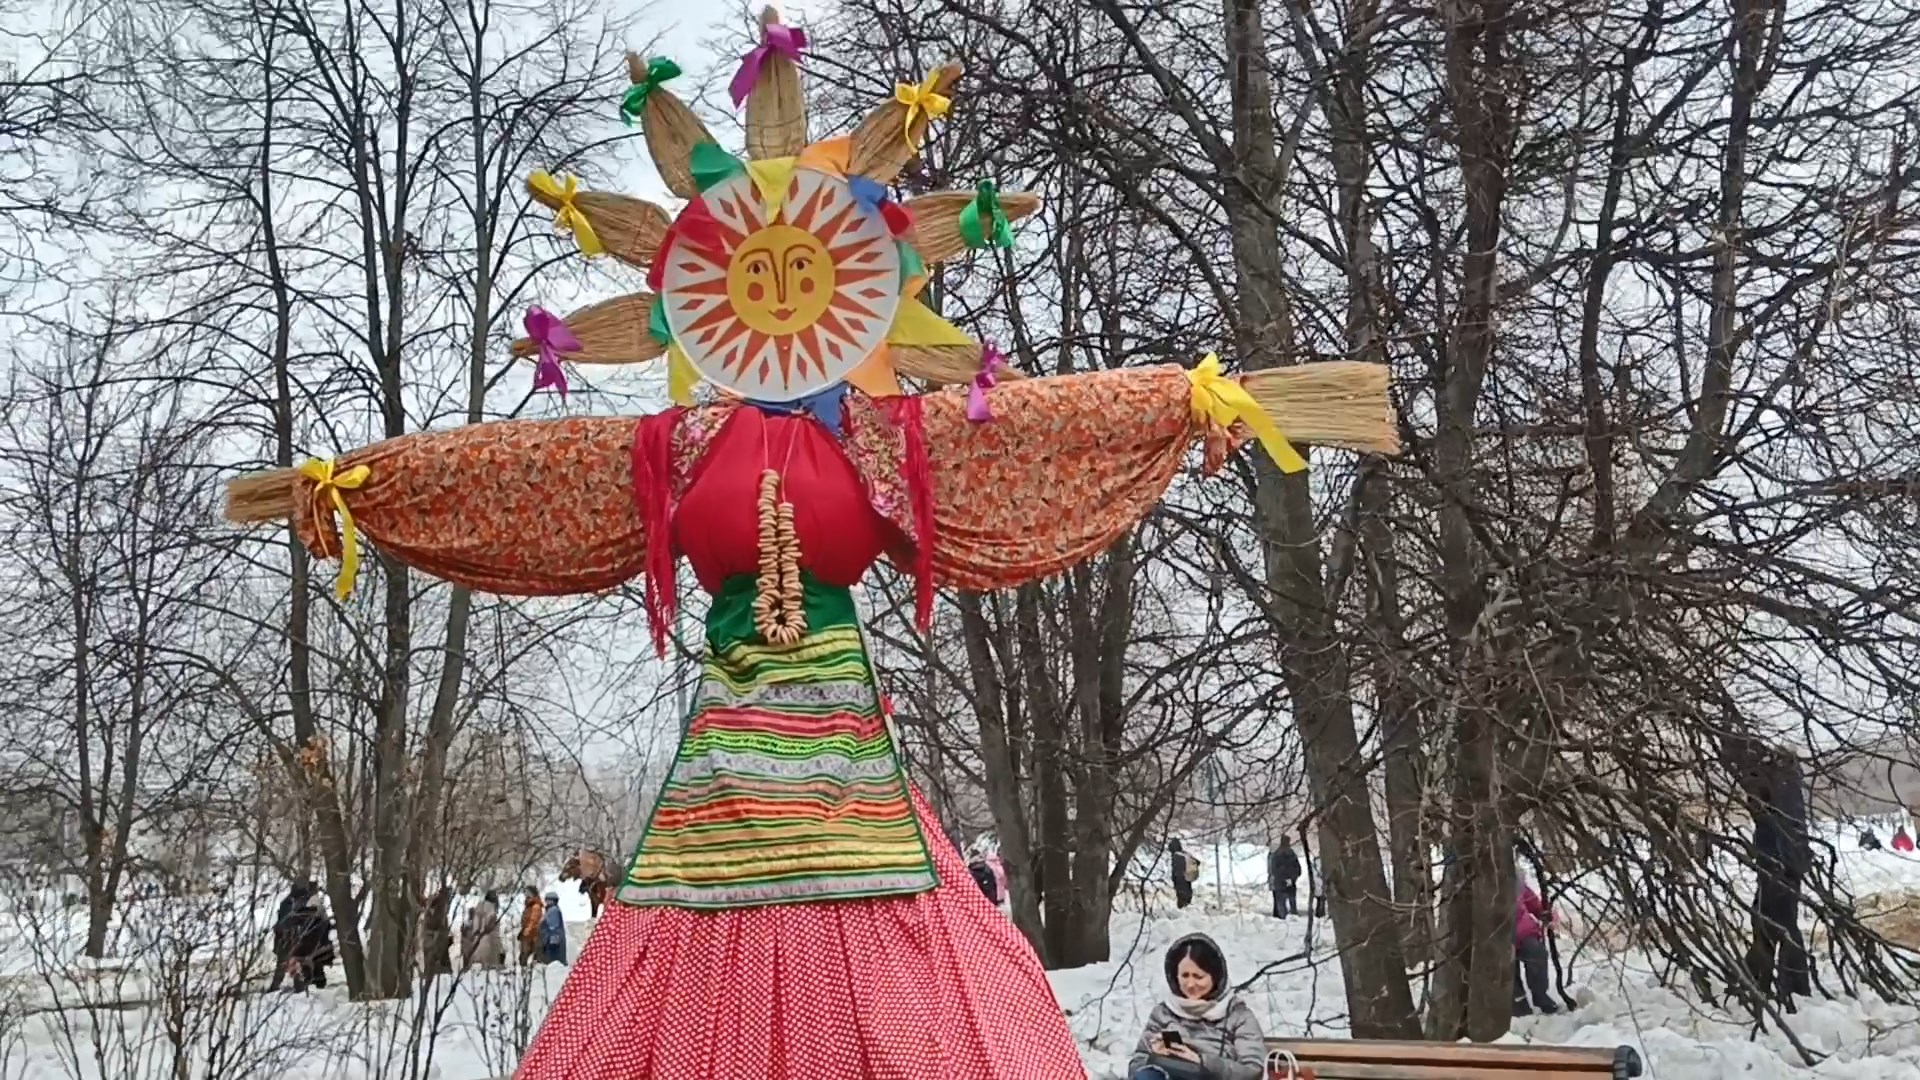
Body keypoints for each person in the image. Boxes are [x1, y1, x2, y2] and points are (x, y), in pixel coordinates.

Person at [216, 24, 1393, 1075]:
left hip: (850, 765)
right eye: (752, 272)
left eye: (804, 270)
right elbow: (517, 473)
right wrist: (356, 488)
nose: (779, 291)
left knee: (917, 1001)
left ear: (855, 282)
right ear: (704, 291)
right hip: (724, 772)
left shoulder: (887, 439)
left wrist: (1202, 402)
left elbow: (1051, 424)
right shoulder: (673, 451)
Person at [1127, 933, 1266, 1080]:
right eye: (1184, 976)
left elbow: (1252, 1070)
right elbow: (1136, 1064)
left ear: (1215, 976)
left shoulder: (1238, 1016)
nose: (1190, 984)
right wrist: (1155, 1057)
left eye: (1198, 976)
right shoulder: (1163, 1012)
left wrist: (1201, 1061)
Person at [1512, 880, 1558, 1017]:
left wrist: (1548, 915)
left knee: (1537, 954)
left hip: (1525, 933)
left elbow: (1535, 904)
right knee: (1507, 970)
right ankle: (1519, 1003)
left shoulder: (1516, 882)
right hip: (1498, 939)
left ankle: (1540, 996)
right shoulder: (1479, 886)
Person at [277, 893, 336, 993]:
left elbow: (297, 924)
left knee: (308, 963)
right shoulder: (321, 917)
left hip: (313, 946)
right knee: (315, 966)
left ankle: (310, 983)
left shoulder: (311, 916)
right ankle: (316, 984)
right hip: (321, 946)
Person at [267, 881, 312, 990]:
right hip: (286, 939)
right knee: (286, 962)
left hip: (291, 938)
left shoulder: (294, 903)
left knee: (295, 962)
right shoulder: (289, 904)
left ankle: (298, 986)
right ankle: (278, 987)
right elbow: (288, 922)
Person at [462, 890, 506, 969]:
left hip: (479, 934)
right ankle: (493, 964)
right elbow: (491, 921)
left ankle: (481, 964)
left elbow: (475, 920)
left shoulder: (480, 905)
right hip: (487, 933)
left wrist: (476, 930)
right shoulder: (491, 907)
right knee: (493, 948)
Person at [422, 887, 454, 978]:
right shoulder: (436, 904)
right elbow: (432, 921)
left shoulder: (442, 905)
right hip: (433, 936)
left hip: (438, 936)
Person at [1267, 842, 1300, 918]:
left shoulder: (1275, 855)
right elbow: (1298, 870)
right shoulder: (1292, 855)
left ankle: (1283, 918)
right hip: (1289, 882)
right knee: (1291, 902)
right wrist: (1292, 878)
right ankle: (1293, 918)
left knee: (1282, 903)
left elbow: (1273, 870)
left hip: (1280, 882)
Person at [539, 891, 568, 965]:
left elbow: (553, 927)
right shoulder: (551, 910)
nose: (546, 902)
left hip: (552, 942)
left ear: (552, 901)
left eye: (547, 900)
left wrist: (552, 942)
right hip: (551, 941)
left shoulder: (553, 910)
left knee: (554, 963)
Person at [518, 887, 544, 966]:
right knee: (524, 954)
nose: (525, 894)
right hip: (526, 932)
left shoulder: (535, 906)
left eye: (527, 892)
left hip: (531, 934)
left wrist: (528, 929)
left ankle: (528, 968)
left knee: (526, 953)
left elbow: (534, 920)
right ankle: (525, 968)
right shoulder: (528, 905)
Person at [1168, 839, 1196, 910]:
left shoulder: (1176, 856)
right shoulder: (1185, 854)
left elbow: (1176, 869)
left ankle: (1182, 908)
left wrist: (1174, 879)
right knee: (1187, 892)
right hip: (1187, 877)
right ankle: (1187, 906)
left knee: (1181, 895)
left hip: (1180, 879)